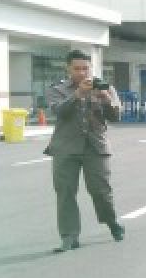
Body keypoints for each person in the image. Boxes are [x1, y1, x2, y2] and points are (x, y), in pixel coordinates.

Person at [45, 49, 125, 252]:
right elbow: (59, 112)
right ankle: (69, 236)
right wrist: (78, 94)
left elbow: (116, 117)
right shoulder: (58, 89)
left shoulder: (105, 87)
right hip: (65, 148)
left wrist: (106, 98)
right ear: (68, 69)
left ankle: (112, 222)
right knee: (65, 193)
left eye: (85, 68)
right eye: (77, 69)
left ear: (91, 68)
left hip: (96, 147)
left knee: (101, 191)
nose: (82, 73)